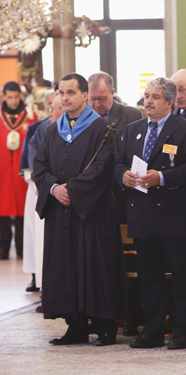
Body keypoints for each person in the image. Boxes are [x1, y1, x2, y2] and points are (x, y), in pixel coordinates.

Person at [33, 73, 125, 346]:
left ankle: (105, 326)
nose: (65, 98)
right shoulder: (53, 130)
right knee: (66, 268)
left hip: (92, 212)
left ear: (85, 96)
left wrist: (71, 191)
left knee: (96, 267)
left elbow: (102, 169)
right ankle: (75, 326)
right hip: (61, 212)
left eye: (71, 92)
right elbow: (40, 166)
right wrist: (53, 188)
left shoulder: (102, 129)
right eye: (61, 93)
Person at [115, 77, 186, 350]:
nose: (148, 102)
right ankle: (151, 330)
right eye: (146, 96)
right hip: (141, 213)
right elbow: (118, 162)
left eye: (155, 97)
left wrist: (162, 178)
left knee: (181, 276)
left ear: (169, 102)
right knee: (149, 277)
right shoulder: (133, 129)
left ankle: (182, 331)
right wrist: (124, 177)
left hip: (175, 216)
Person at [20, 89, 54, 290]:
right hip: (38, 187)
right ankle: (36, 276)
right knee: (35, 235)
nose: (51, 108)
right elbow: (31, 161)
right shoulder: (38, 129)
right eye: (49, 103)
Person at [0, 81, 37, 260]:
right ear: (3, 96)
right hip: (2, 170)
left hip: (23, 171)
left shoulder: (31, 117)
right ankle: (2, 249)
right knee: (2, 211)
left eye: (16, 97)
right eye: (9, 97)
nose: (13, 101)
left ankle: (24, 249)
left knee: (24, 211)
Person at [87, 72, 142, 139]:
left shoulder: (131, 115)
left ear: (112, 93)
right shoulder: (82, 117)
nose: (97, 104)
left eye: (101, 99)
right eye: (93, 99)